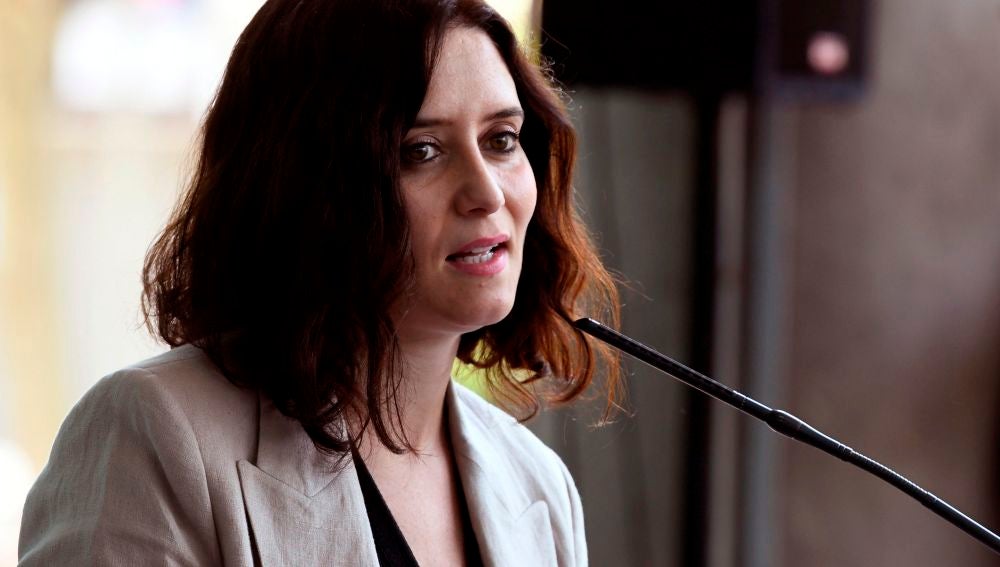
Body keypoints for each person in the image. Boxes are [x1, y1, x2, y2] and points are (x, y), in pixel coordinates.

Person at [18, 0, 620, 565]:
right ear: (308, 185)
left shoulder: (539, 484)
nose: (487, 192)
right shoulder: (152, 432)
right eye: (421, 151)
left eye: (502, 140)